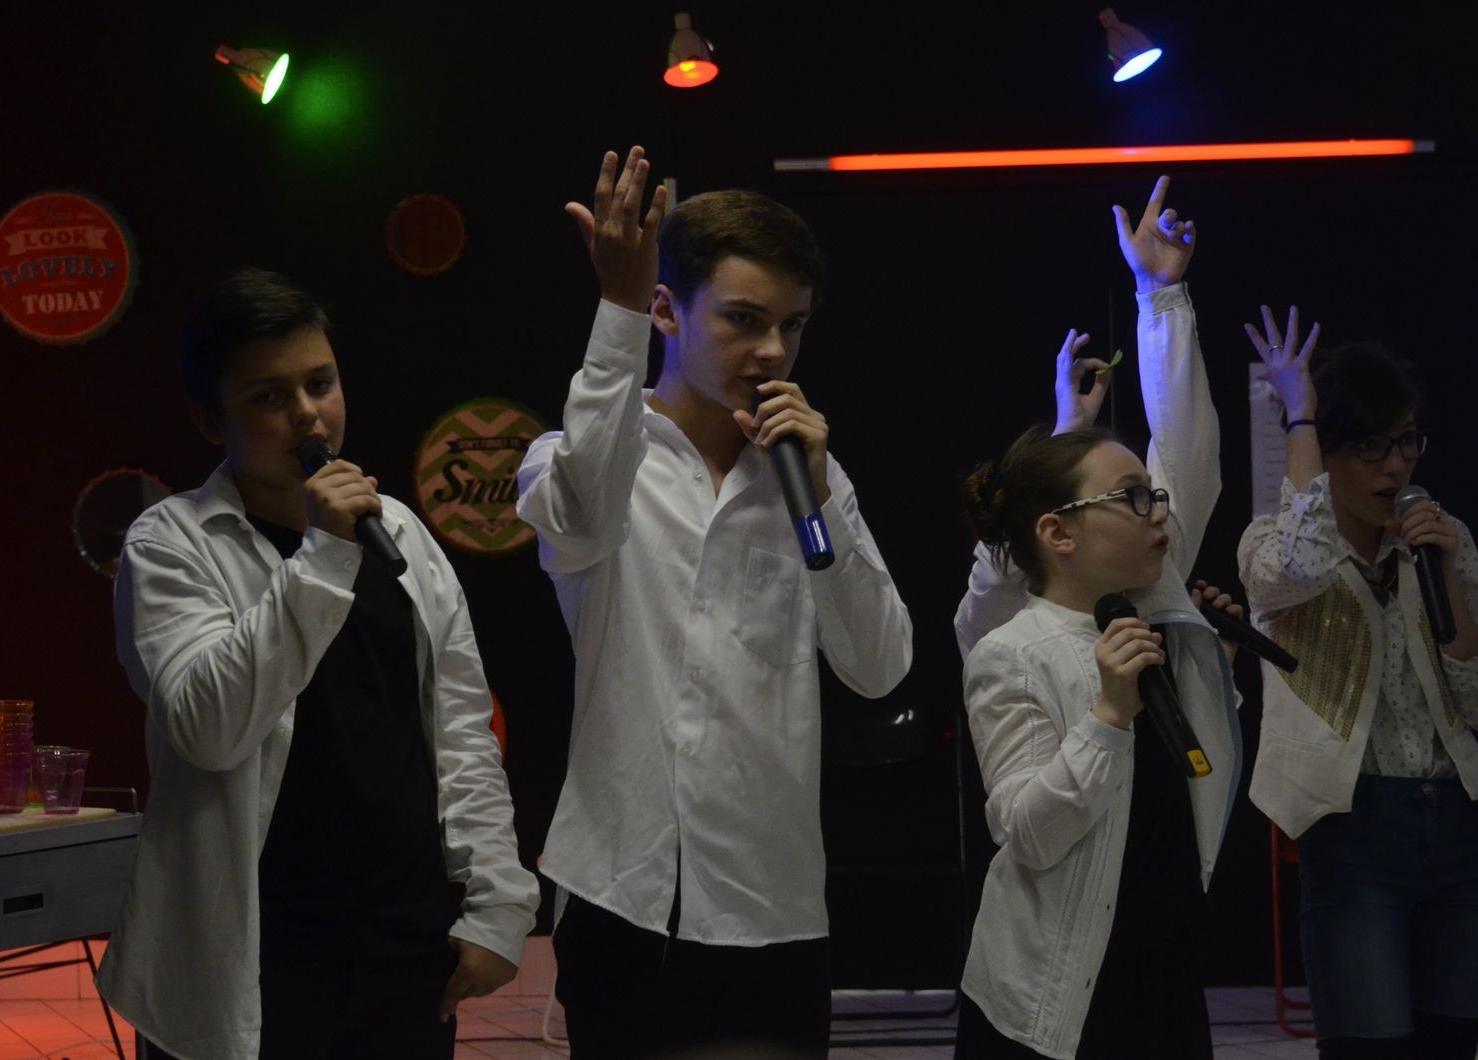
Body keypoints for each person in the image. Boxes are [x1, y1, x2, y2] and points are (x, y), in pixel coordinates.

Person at [514, 147, 913, 1058]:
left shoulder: (811, 478)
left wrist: (821, 496)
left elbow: (880, 666)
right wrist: (614, 308)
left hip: (770, 906)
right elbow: (580, 514)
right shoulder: (578, 459)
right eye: (742, 319)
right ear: (666, 310)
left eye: (791, 325)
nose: (772, 351)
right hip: (620, 890)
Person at [97, 268, 539, 1060]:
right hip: (254, 957)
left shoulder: (397, 529)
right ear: (210, 420)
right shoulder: (170, 542)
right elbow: (208, 728)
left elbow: (460, 732)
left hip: (403, 947)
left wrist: (498, 903)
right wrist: (324, 553)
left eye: (320, 383)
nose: (307, 413)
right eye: (269, 397)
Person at [952, 176, 1243, 1059]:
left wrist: (1162, 297)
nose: (1159, 512)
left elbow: (1189, 457)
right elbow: (1028, 832)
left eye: (1153, 497)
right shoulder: (1012, 649)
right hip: (1051, 997)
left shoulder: (1155, 600)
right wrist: (1109, 715)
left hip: (1164, 969)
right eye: (1133, 498)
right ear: (1058, 534)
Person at [1238, 310, 1478, 1059]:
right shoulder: (1269, 547)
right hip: (1353, 828)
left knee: (1453, 1040)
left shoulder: (1442, 539)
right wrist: (1300, 414)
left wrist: (1447, 574)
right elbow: (1305, 562)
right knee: (1369, 1044)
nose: (1394, 467)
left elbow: (1473, 699)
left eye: (1406, 441)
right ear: (1326, 451)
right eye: (1370, 445)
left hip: (1457, 817)